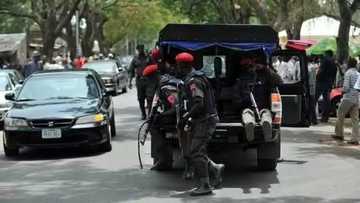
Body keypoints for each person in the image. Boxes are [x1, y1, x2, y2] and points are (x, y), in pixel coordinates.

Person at [175, 52, 224, 196]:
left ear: (183, 65)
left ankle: (205, 185)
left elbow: (199, 104)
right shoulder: (197, 76)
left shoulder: (193, 81)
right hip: (204, 118)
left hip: (205, 119)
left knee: (195, 151)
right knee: (198, 150)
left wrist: (186, 118)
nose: (177, 67)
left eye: (178, 64)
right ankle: (215, 168)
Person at [333, 58, 359, 145]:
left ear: (349, 64)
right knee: (355, 119)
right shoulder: (358, 74)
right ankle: (354, 139)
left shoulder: (348, 73)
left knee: (340, 114)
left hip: (348, 98)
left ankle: (339, 134)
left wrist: (342, 92)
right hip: (356, 98)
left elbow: (346, 87)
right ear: (355, 65)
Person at [128, 44, 152, 120]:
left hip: (148, 80)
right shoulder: (135, 59)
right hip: (140, 81)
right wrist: (130, 82)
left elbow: (154, 68)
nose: (141, 50)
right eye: (139, 49)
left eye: (142, 48)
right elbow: (131, 71)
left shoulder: (148, 58)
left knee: (149, 97)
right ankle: (143, 114)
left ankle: (150, 114)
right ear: (137, 49)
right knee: (140, 98)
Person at [315, 50, 337, 123]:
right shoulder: (334, 63)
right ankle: (325, 117)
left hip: (321, 82)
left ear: (327, 54)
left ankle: (312, 116)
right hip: (329, 83)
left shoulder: (325, 60)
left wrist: (317, 78)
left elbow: (321, 71)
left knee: (314, 99)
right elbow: (334, 75)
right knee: (327, 100)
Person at [308, 57, 318, 125]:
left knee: (310, 104)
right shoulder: (314, 67)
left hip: (310, 87)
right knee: (312, 104)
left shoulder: (309, 68)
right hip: (313, 86)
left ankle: (312, 119)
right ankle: (314, 120)